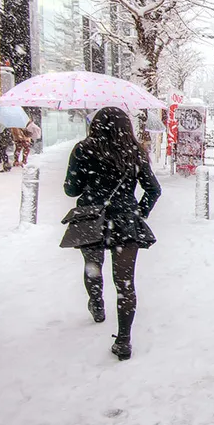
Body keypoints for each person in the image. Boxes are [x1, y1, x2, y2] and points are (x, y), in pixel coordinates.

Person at [63, 107, 161, 360]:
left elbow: (71, 190)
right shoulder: (135, 152)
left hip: (91, 218)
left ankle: (96, 303)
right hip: (125, 221)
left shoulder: (83, 150)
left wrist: (88, 182)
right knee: (125, 283)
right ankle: (124, 340)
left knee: (92, 265)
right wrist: (139, 212)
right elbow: (153, 190)